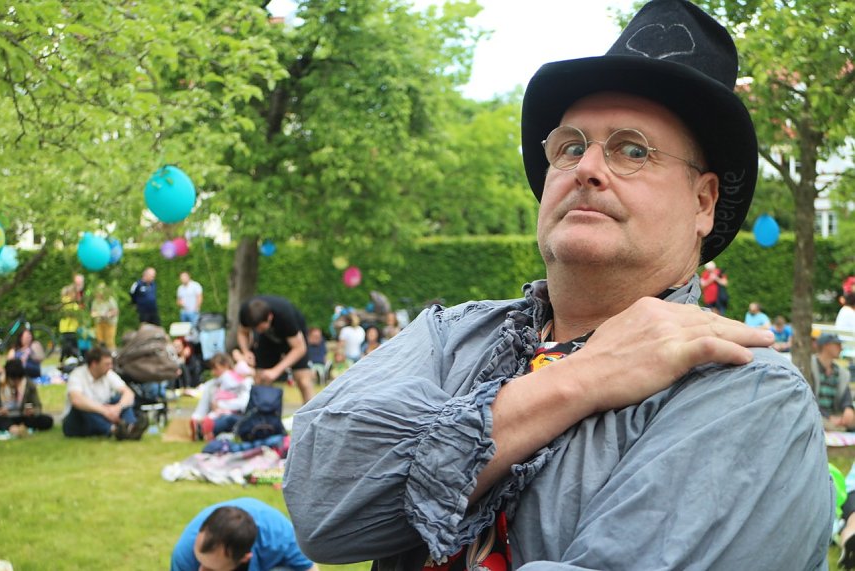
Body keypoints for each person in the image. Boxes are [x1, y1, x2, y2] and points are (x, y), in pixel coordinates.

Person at [282, 2, 832, 569]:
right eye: (570, 146)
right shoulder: (449, 335)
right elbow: (322, 509)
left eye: (633, 150)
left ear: (702, 202)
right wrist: (585, 377)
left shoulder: (747, 391)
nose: (588, 167)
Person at [170, 497, 319, 571]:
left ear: (244, 558)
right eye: (199, 561)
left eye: (211, 570)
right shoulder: (185, 553)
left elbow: (309, 568)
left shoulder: (278, 535)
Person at [237, 295, 314, 403]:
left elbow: (300, 349)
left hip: (293, 340)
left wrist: (275, 371)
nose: (258, 331)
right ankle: (263, 416)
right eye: (255, 328)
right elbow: (242, 332)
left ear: (270, 317)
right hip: (267, 341)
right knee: (261, 379)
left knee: (303, 381)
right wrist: (246, 351)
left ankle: (311, 415)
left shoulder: (285, 315)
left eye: (261, 328)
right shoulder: (246, 312)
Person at [62, 346, 148, 440]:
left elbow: (128, 393)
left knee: (122, 399)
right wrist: (104, 411)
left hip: (103, 413)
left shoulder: (108, 374)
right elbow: (76, 400)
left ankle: (130, 427)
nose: (110, 367)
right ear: (94, 364)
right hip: (78, 422)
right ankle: (115, 430)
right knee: (84, 405)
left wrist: (117, 408)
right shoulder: (77, 375)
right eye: (107, 364)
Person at [190, 352, 252, 439]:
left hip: (236, 415)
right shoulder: (212, 384)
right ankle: (202, 428)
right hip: (217, 415)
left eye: (216, 369)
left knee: (227, 420)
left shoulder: (242, 381)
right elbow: (203, 406)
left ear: (226, 365)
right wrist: (197, 417)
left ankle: (205, 430)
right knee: (217, 419)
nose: (213, 373)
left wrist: (221, 405)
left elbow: (243, 403)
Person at [810, 333, 855, 431]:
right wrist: (829, 417)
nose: (841, 348)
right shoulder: (810, 368)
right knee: (830, 427)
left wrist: (848, 408)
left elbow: (845, 396)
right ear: (826, 346)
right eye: (838, 345)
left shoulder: (840, 372)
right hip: (815, 414)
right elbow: (809, 399)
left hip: (834, 415)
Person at [0, 359, 54, 435]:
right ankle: (13, 428)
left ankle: (16, 427)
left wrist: (32, 411)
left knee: (46, 420)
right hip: (4, 417)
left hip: (22, 416)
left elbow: (38, 406)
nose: (16, 383)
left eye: (18, 380)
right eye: (13, 380)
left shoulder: (28, 384)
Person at [58, 273, 86, 362]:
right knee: (70, 345)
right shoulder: (69, 302)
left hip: (68, 328)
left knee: (67, 345)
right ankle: (77, 357)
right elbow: (76, 310)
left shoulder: (66, 301)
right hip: (69, 327)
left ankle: (65, 359)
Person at [90, 283, 119, 351]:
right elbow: (93, 312)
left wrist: (109, 314)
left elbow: (115, 311)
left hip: (109, 323)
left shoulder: (110, 299)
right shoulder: (95, 301)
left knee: (109, 341)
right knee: (100, 341)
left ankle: (112, 355)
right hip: (99, 322)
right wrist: (97, 314)